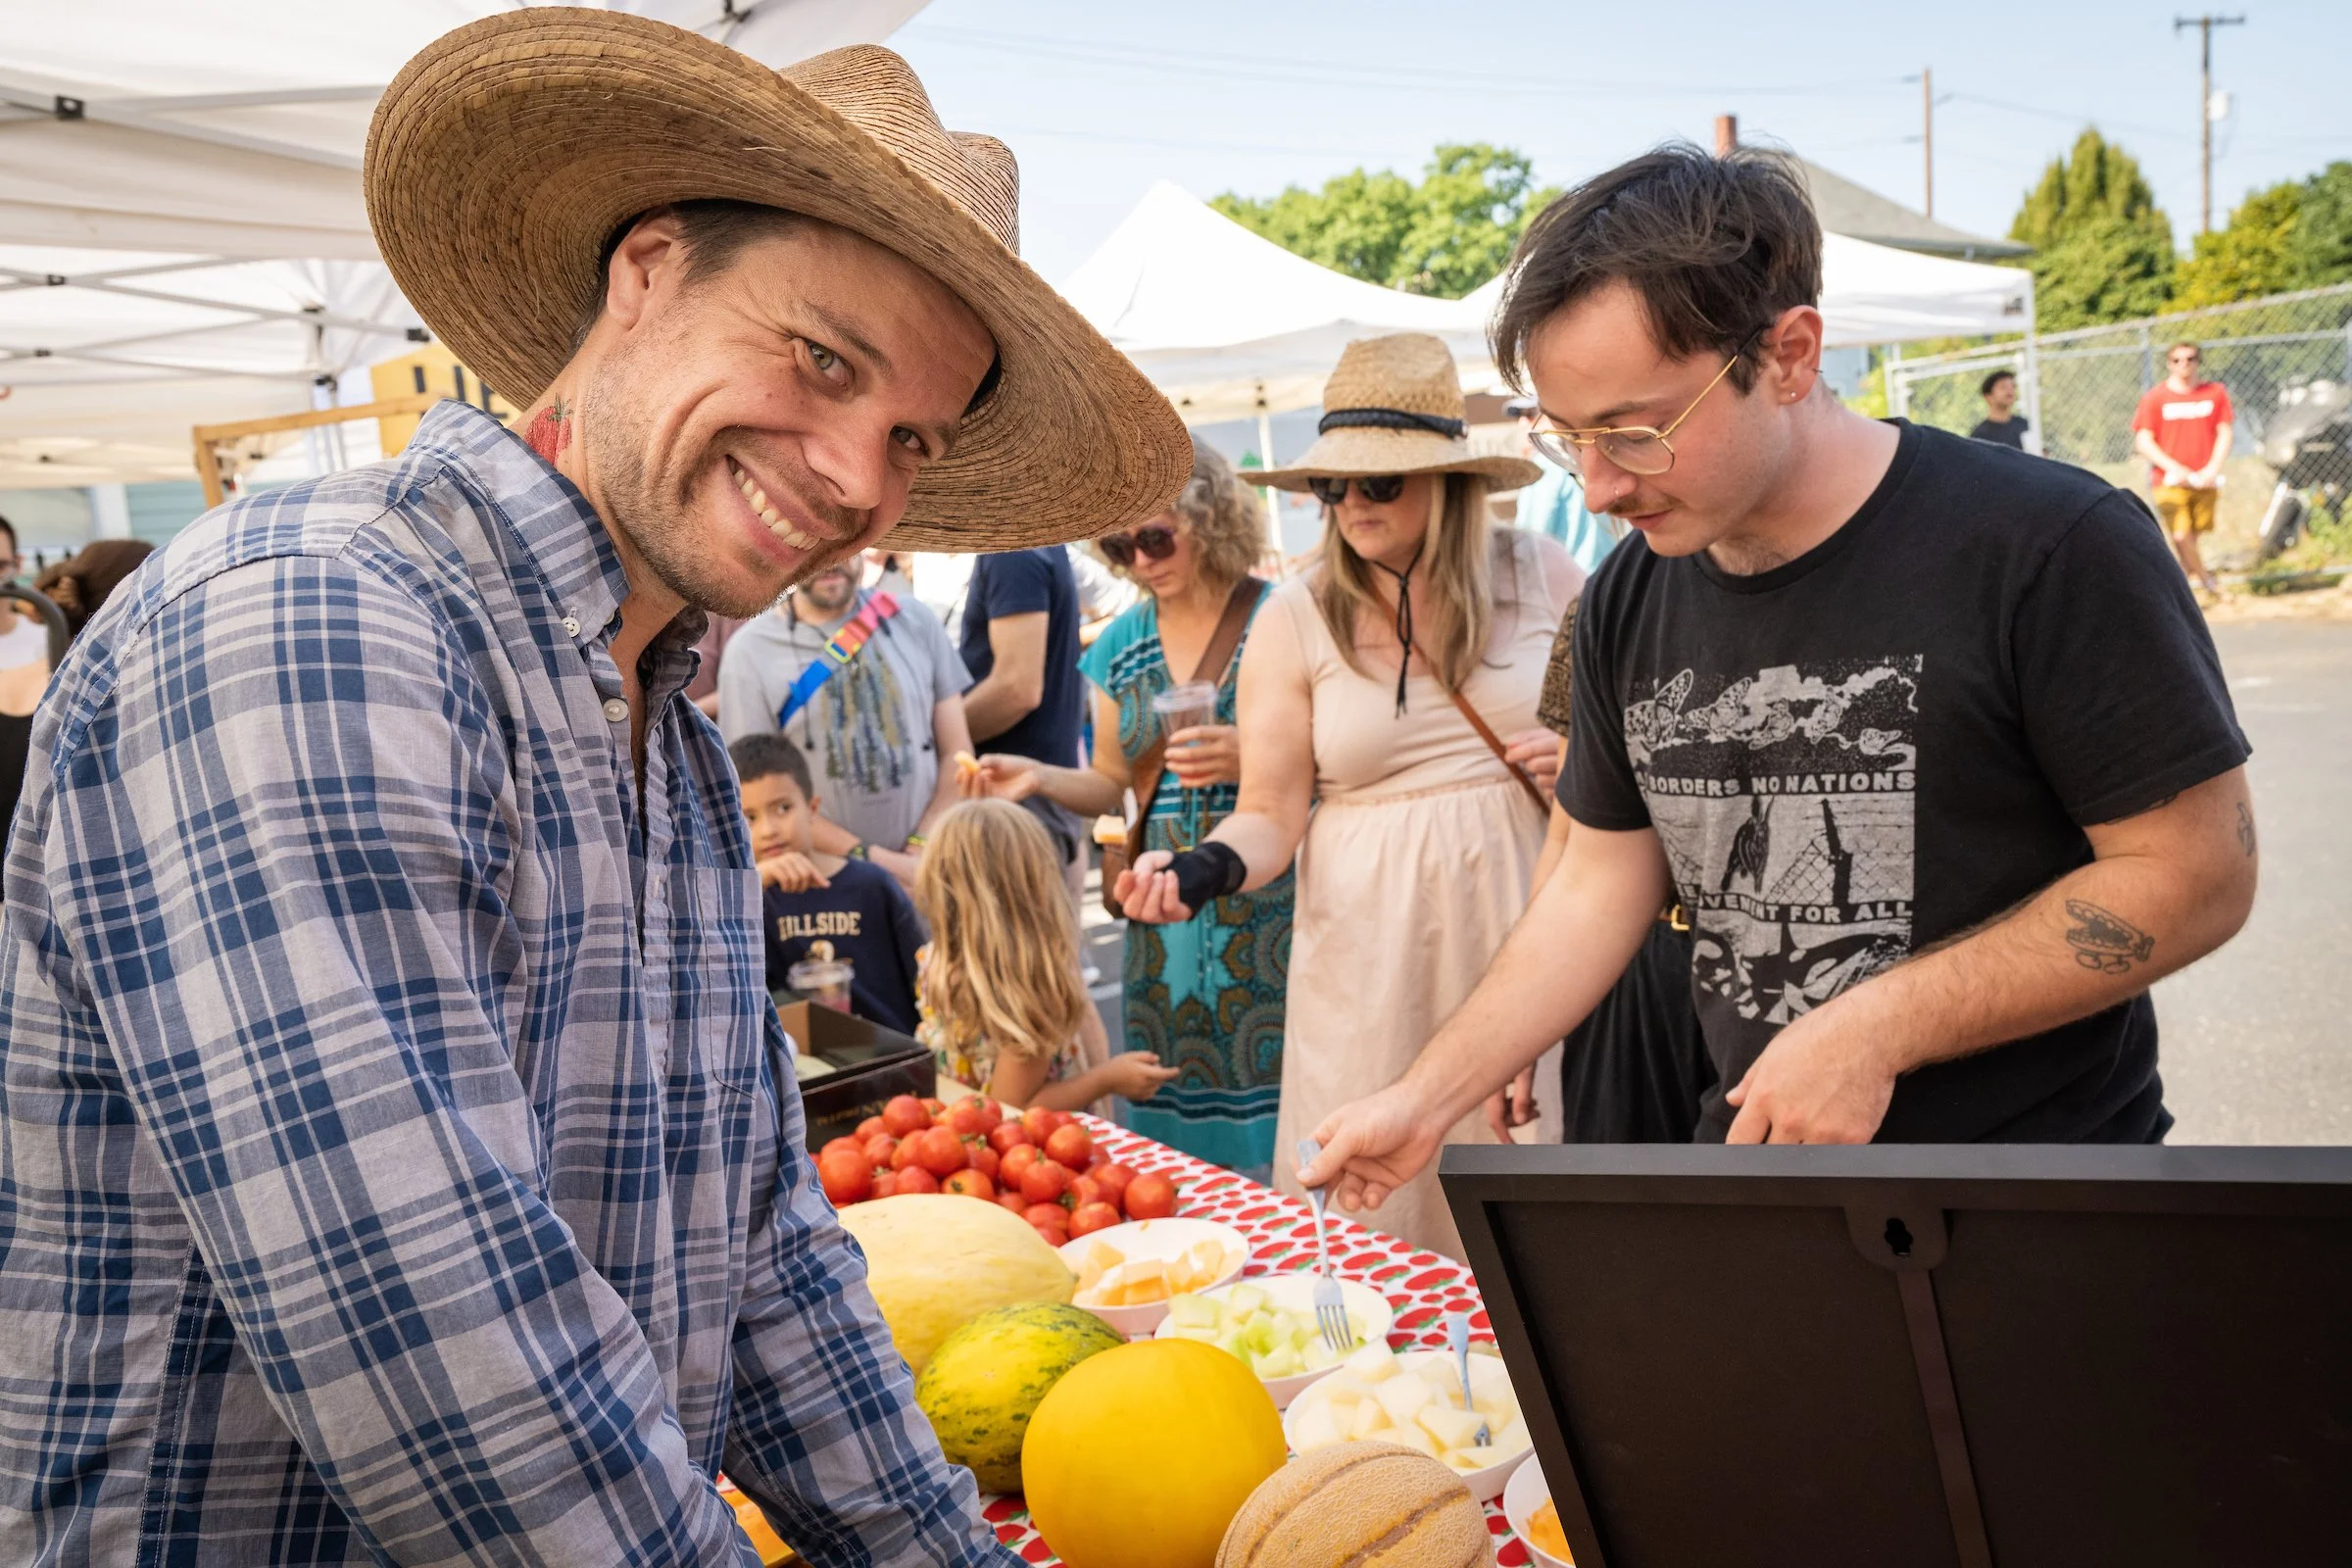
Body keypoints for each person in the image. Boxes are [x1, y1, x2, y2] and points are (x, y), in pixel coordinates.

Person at [0, 12, 1191, 1563]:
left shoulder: (677, 745)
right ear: (647, 272)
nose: (853, 476)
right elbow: (444, 1360)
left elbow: (766, 1259)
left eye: (907, 433)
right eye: (820, 358)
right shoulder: (314, 612)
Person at [1298, 146, 2257, 1221]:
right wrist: (1428, 1094)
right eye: (1570, 439)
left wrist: (1877, 1022)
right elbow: (1594, 883)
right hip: (1759, 1180)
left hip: (2038, 1195)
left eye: (1637, 431)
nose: (1604, 485)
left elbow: (2197, 872)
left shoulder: (2048, 545)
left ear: (1791, 354)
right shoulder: (1627, 598)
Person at [1118, 332, 1582, 1259]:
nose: (1350, 505)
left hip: (1532, 917)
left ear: (1448, 483)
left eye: (1378, 484)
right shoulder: (1296, 611)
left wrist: (1580, 764)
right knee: (1381, 1207)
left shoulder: (1544, 574)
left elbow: (1629, 748)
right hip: (1371, 956)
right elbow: (1272, 813)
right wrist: (1201, 867)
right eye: (1334, 485)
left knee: (1535, 1190)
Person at [965, 435, 1293, 1175]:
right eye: (1121, 547)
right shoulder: (1119, 644)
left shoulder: (1283, 617)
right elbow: (1112, 783)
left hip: (1273, 904)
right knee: (1176, 1128)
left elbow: (1337, 752)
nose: (1142, 561)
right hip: (1160, 915)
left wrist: (1250, 755)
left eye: (1156, 537)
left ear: (1208, 515)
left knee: (1287, 1100)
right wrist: (1040, 777)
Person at [718, 555, 974, 889]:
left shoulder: (916, 620)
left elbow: (958, 754)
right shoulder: (748, 652)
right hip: (825, 889)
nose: (831, 560)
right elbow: (752, 795)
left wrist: (921, 850)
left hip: (930, 873)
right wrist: (888, 866)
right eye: (817, 547)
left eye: (845, 545)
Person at [916, 799, 1178, 1112]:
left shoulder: (935, 959)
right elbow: (1013, 1105)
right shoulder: (1027, 988)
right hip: (1021, 1147)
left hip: (954, 1132)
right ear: (1034, 886)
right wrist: (1107, 1079)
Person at [734, 732, 925, 1035]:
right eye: (749, 817)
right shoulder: (748, 901)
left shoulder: (871, 884)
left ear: (812, 809)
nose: (768, 830)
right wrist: (753, 887)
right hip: (806, 1071)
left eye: (783, 808)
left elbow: (924, 978)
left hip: (895, 1060)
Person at [2133, 342, 2234, 595]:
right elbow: (2143, 440)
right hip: (2169, 481)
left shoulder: (2214, 393)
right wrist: (2175, 468)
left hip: (2204, 479)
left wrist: (2212, 469)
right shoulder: (2155, 397)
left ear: (2198, 361)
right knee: (2180, 537)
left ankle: (2178, 590)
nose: (2184, 365)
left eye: (2190, 359)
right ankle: (2208, 583)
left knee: (2192, 539)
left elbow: (2225, 432)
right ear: (2168, 363)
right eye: (2177, 360)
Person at [1506, 393, 1622, 574]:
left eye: (1531, 414)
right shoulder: (1596, 458)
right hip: (1607, 578)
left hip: (1571, 590)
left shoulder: (1543, 468)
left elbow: (1528, 548)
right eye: (1518, 415)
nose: (1523, 423)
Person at [1970, 368, 2030, 451]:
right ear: (1988, 396)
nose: (2010, 390)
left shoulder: (2024, 424)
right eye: (2003, 387)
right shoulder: (1980, 435)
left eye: (2013, 386)